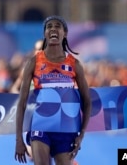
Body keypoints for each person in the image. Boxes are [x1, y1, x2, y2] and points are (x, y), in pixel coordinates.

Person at [14, 15, 91, 165]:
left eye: (57, 26)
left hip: (66, 130)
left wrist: (81, 135)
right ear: (45, 34)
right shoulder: (34, 62)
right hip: (40, 127)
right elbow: (22, 103)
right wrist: (19, 140)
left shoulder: (75, 64)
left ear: (65, 33)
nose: (53, 29)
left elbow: (87, 102)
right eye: (49, 27)